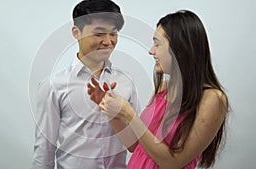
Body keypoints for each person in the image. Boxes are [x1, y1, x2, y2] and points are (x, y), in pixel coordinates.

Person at [88, 10, 229, 169]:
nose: (151, 51)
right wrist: (111, 111)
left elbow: (173, 163)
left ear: (180, 48)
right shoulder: (163, 88)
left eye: (157, 43)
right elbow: (136, 145)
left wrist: (129, 114)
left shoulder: (213, 99)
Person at [31, 0, 140, 169]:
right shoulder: (53, 85)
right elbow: (44, 151)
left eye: (113, 33)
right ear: (76, 32)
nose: (108, 41)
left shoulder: (126, 81)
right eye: (99, 34)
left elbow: (137, 140)